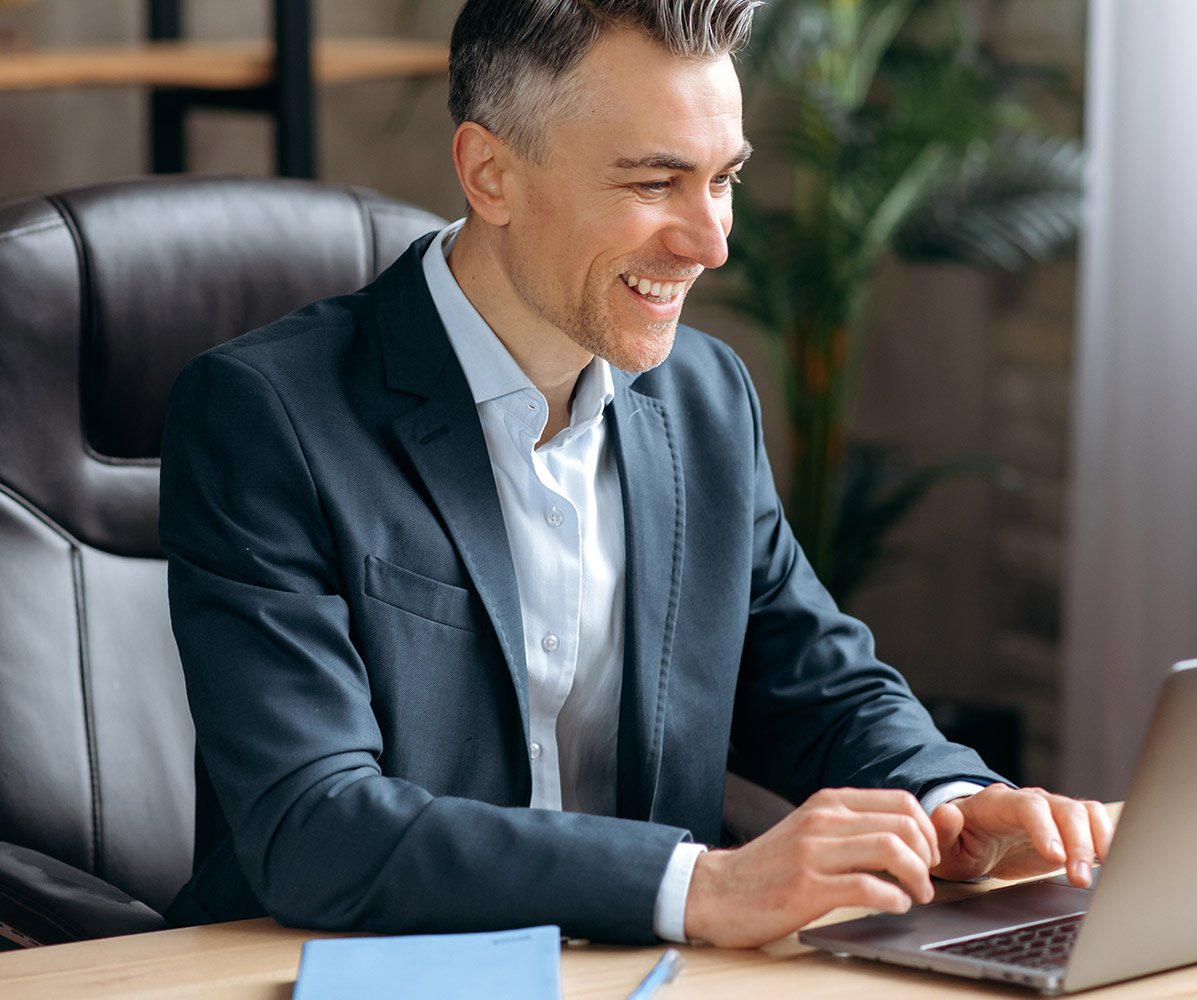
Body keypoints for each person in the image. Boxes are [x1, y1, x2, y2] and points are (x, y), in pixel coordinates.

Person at [160, 0, 1112, 949]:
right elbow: (315, 825)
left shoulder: (703, 398)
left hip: (649, 972)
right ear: (489, 174)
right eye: (657, 183)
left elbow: (815, 683)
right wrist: (700, 886)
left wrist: (955, 799)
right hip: (357, 967)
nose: (711, 242)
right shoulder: (267, 416)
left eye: (724, 179)